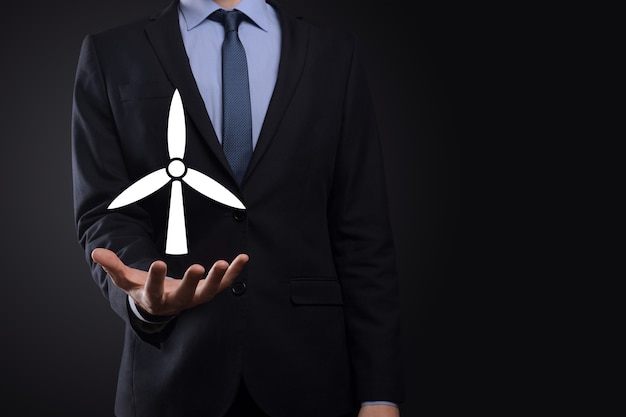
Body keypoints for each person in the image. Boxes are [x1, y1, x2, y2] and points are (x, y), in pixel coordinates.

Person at [71, 0, 405, 416]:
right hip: (170, 377)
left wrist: (380, 393)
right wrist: (143, 293)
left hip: (312, 378)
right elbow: (107, 209)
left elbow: (363, 233)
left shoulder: (335, 53)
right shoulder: (111, 53)